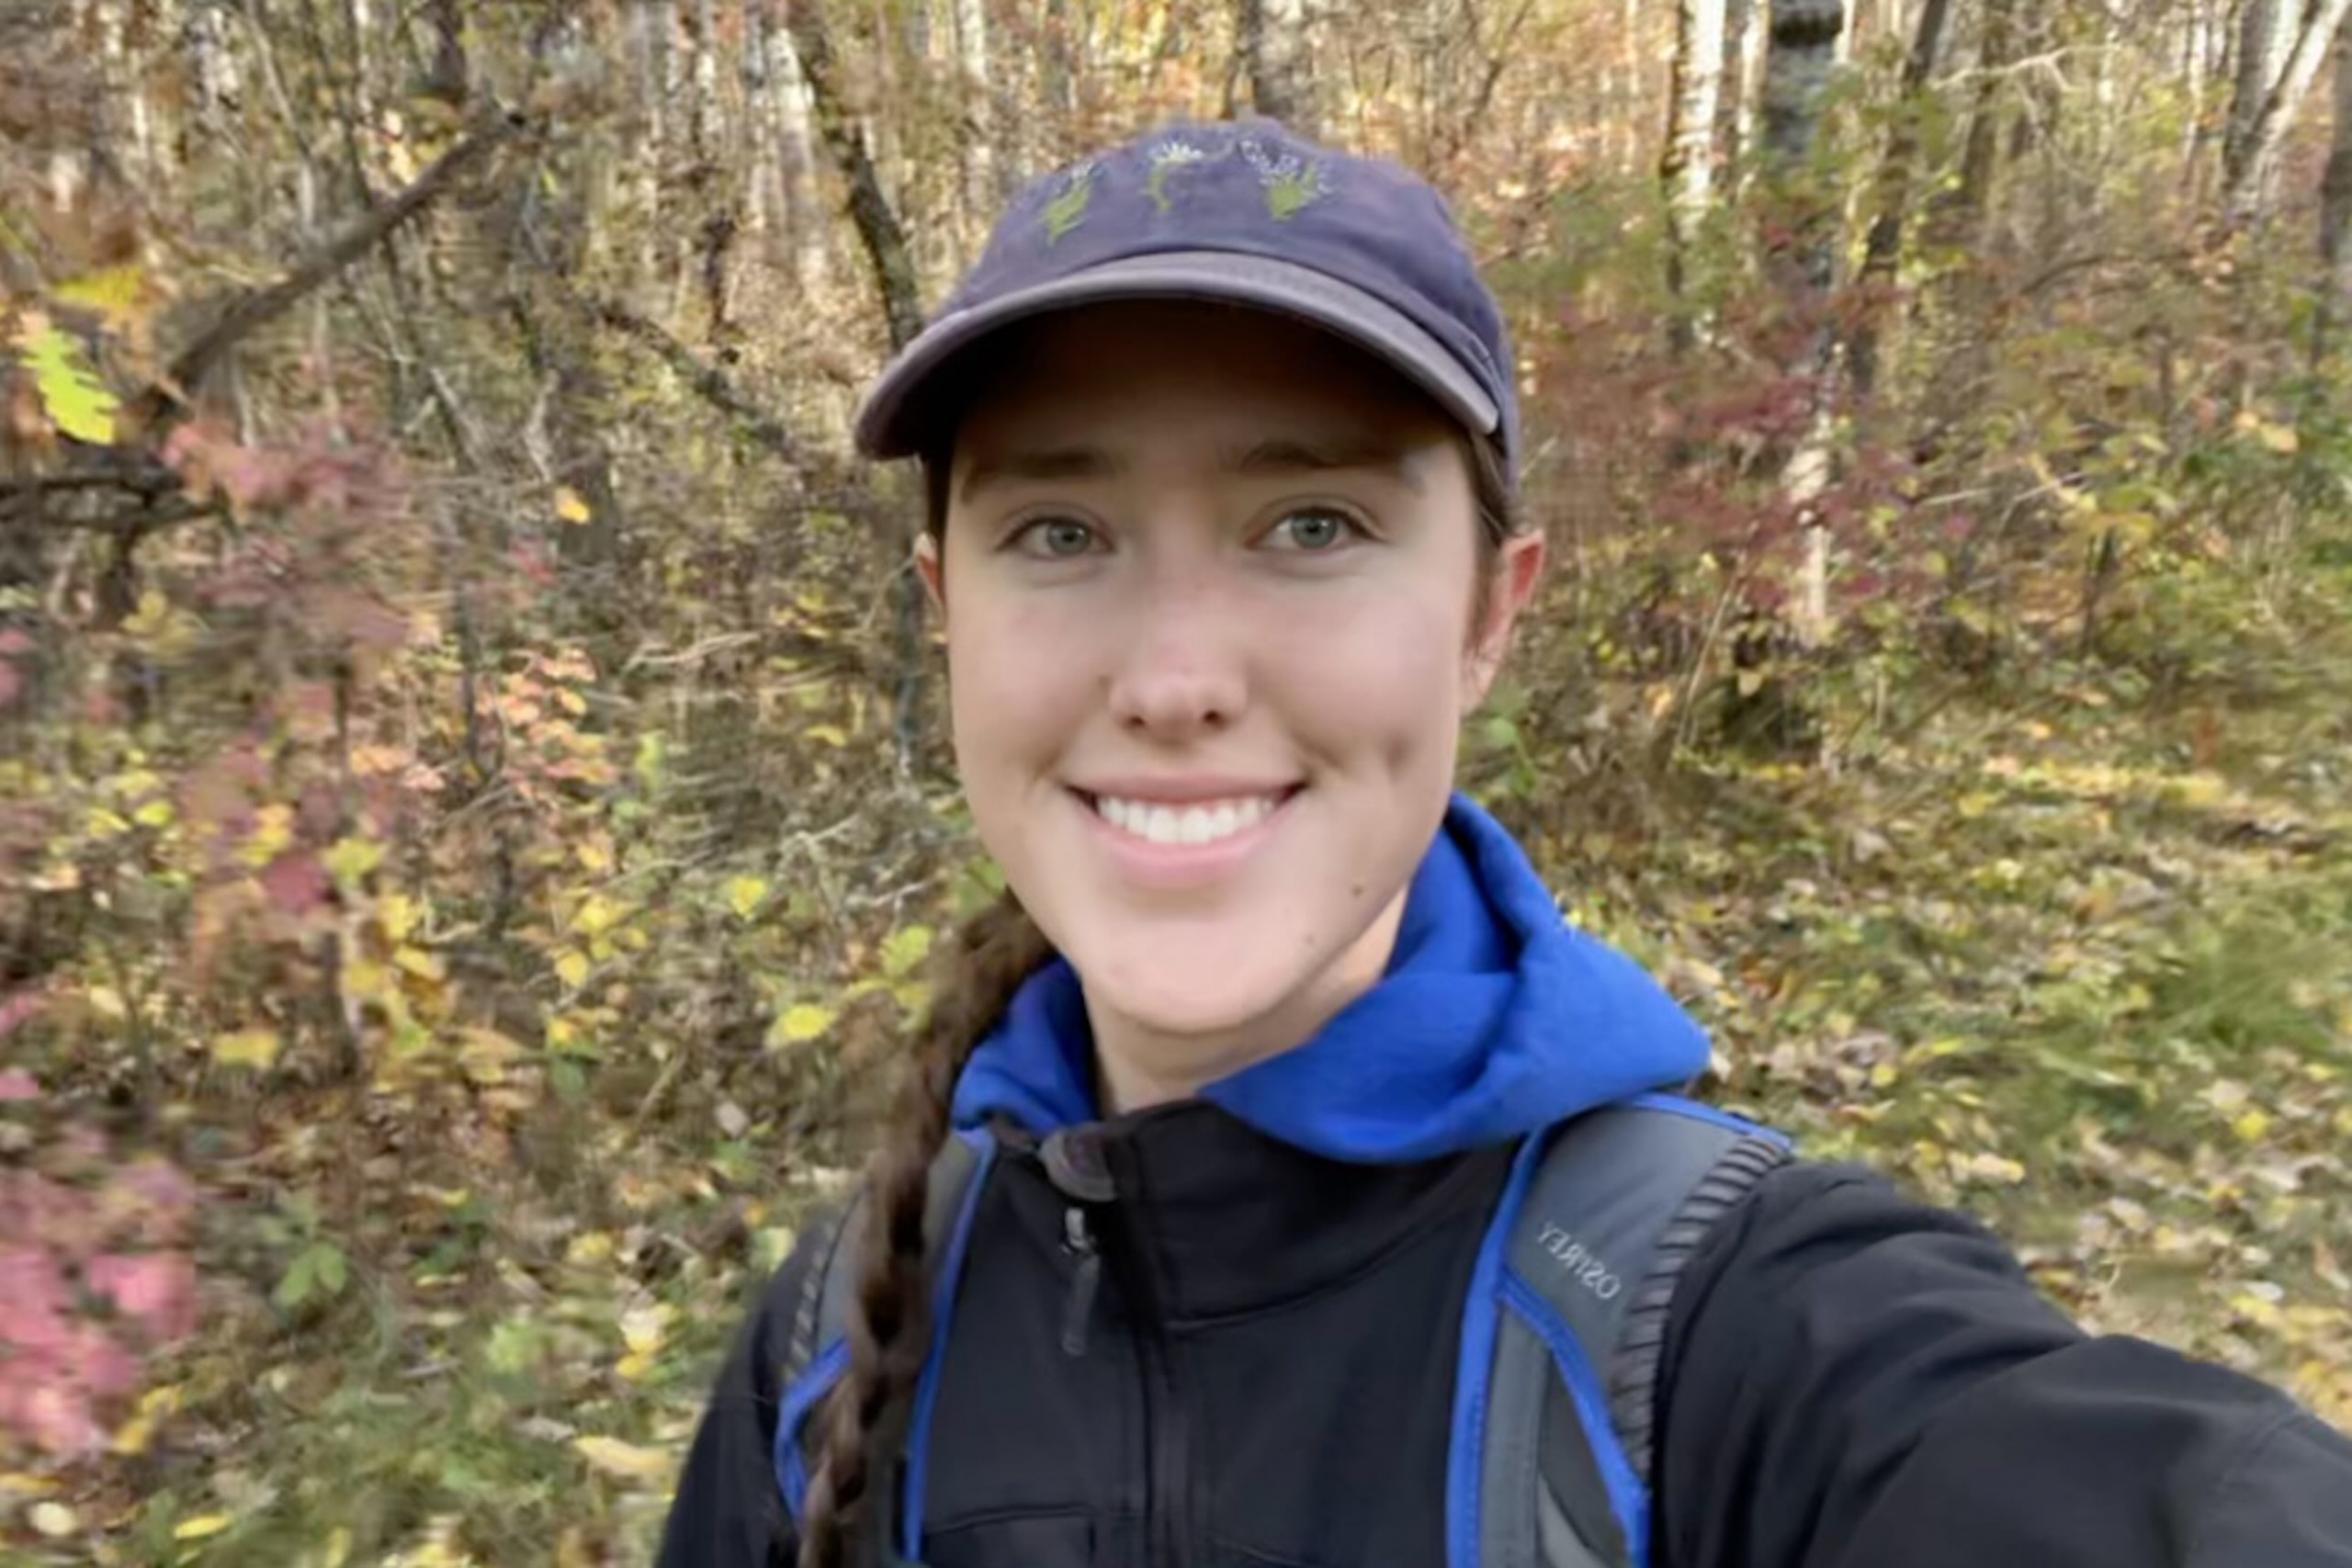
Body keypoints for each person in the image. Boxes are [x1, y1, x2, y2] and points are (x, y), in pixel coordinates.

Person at [659, 118, 2352, 1568]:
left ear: (1488, 616)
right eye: (1060, 530)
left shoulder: (1715, 1331)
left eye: (1310, 524)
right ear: (947, 613)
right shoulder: (830, 1350)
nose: (1174, 679)